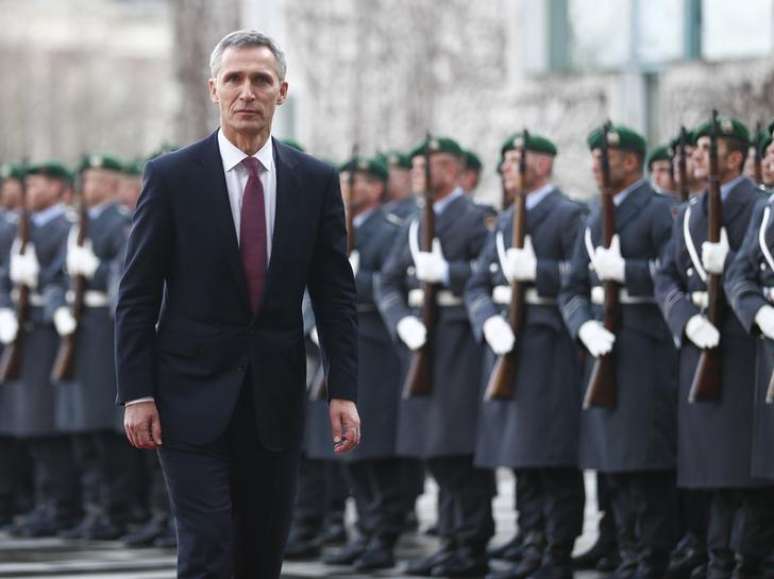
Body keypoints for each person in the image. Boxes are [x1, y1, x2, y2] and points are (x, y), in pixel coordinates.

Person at [115, 30, 360, 579]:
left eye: (260, 80)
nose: (247, 91)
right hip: (186, 399)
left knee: (259, 556)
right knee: (207, 550)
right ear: (213, 89)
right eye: (234, 79)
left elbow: (335, 295)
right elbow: (136, 296)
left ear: (282, 92)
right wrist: (136, 393)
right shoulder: (171, 176)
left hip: (274, 400)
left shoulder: (315, 181)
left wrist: (344, 390)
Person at [559, 124, 679, 579]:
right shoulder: (594, 215)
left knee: (644, 462)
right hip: (602, 349)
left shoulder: (661, 209)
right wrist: (582, 327)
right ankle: (628, 552)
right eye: (593, 156)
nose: (595, 164)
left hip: (645, 351)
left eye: (604, 156)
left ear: (631, 161)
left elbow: (675, 276)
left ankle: (650, 557)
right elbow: (572, 287)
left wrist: (628, 271)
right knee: (614, 466)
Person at [466, 132, 587, 579]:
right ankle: (532, 543)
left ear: (542, 165)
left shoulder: (568, 214)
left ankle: (557, 549)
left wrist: (540, 272)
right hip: (507, 345)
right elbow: (477, 283)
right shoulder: (506, 219)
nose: (504, 171)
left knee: (551, 454)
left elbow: (582, 273)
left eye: (514, 162)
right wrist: (488, 321)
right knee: (520, 455)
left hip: (547, 346)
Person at [654, 115, 767, 579]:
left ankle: (744, 558)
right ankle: (715, 554)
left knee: (744, 467)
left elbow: (756, 270)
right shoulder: (689, 211)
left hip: (745, 344)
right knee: (711, 467)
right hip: (703, 341)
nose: (696, 156)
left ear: (736, 157)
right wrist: (685, 320)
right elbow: (664, 274)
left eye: (707, 148)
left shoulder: (759, 204)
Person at [378, 136, 494, 577]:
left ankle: (471, 544)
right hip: (421, 345)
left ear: (457, 169)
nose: (423, 174)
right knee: (434, 449)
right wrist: (400, 321)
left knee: (459, 448)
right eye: (419, 168)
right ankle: (450, 539)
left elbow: (489, 273)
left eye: (434, 166)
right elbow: (387, 282)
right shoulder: (412, 223)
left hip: (459, 345)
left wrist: (450, 274)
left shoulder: (477, 217)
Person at [55, 154, 134, 541]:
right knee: (82, 428)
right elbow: (54, 277)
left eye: (93, 181)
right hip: (78, 330)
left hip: (105, 329)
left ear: (111, 184)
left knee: (105, 429)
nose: (86, 188)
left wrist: (97, 271)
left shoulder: (119, 223)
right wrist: (58, 309)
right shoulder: (77, 227)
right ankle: (93, 509)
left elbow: (127, 272)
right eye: (84, 181)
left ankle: (114, 511)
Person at [0, 162, 80, 537]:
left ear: (58, 188)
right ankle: (43, 503)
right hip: (23, 333)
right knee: (28, 427)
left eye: (37, 185)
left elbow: (64, 277)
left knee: (46, 425)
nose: (29, 191)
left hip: (49, 334)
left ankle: (60, 505)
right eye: (27, 185)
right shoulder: (25, 229)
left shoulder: (64, 226)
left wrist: (48, 299)